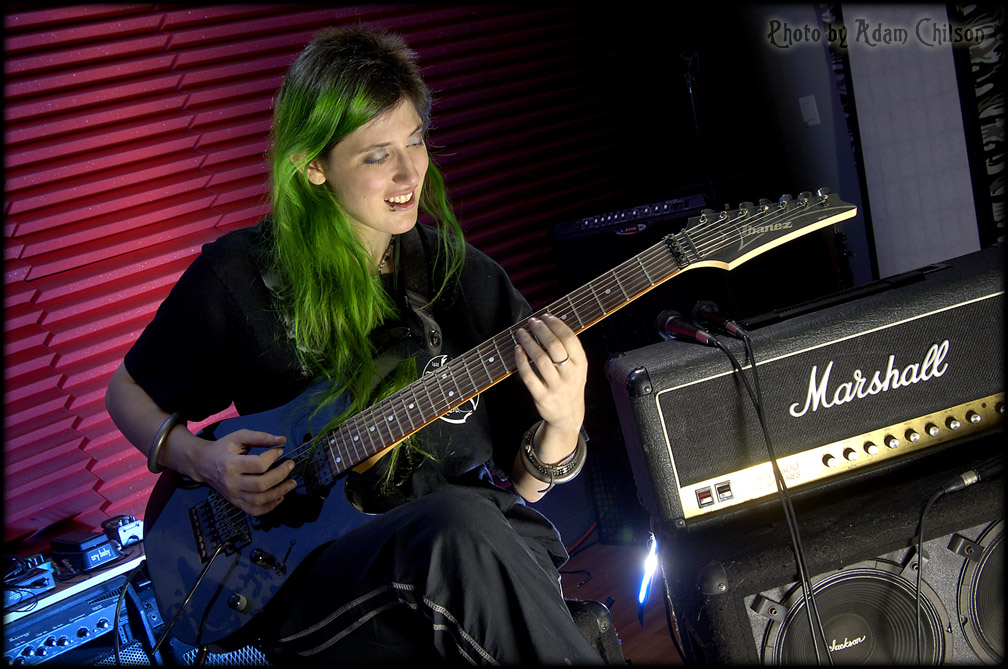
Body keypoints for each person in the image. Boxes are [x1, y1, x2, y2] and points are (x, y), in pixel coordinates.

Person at [105, 26, 607, 664]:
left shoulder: (462, 278)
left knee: (470, 525)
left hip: (470, 555)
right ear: (313, 166)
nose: (409, 173)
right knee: (459, 526)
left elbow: (525, 488)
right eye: (377, 156)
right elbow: (126, 392)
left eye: (416, 141)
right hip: (317, 579)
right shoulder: (241, 275)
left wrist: (564, 420)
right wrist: (202, 461)